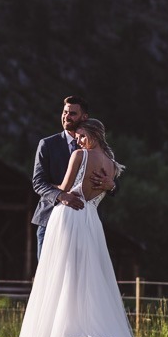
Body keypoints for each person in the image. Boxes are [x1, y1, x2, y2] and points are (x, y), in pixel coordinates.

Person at [11, 118, 147, 337]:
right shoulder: (110, 163)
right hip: (91, 221)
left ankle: (63, 333)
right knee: (88, 275)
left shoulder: (79, 155)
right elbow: (107, 188)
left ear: (93, 134)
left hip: (68, 217)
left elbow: (65, 186)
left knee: (59, 274)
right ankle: (82, 323)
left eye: (83, 135)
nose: (79, 140)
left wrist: (62, 188)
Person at [32, 96, 116, 259]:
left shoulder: (98, 149)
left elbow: (114, 181)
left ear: (84, 117)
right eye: (64, 112)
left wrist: (111, 185)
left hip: (85, 221)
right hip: (49, 218)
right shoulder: (47, 144)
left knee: (79, 276)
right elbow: (38, 182)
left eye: (72, 113)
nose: (66, 117)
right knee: (49, 276)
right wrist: (61, 196)